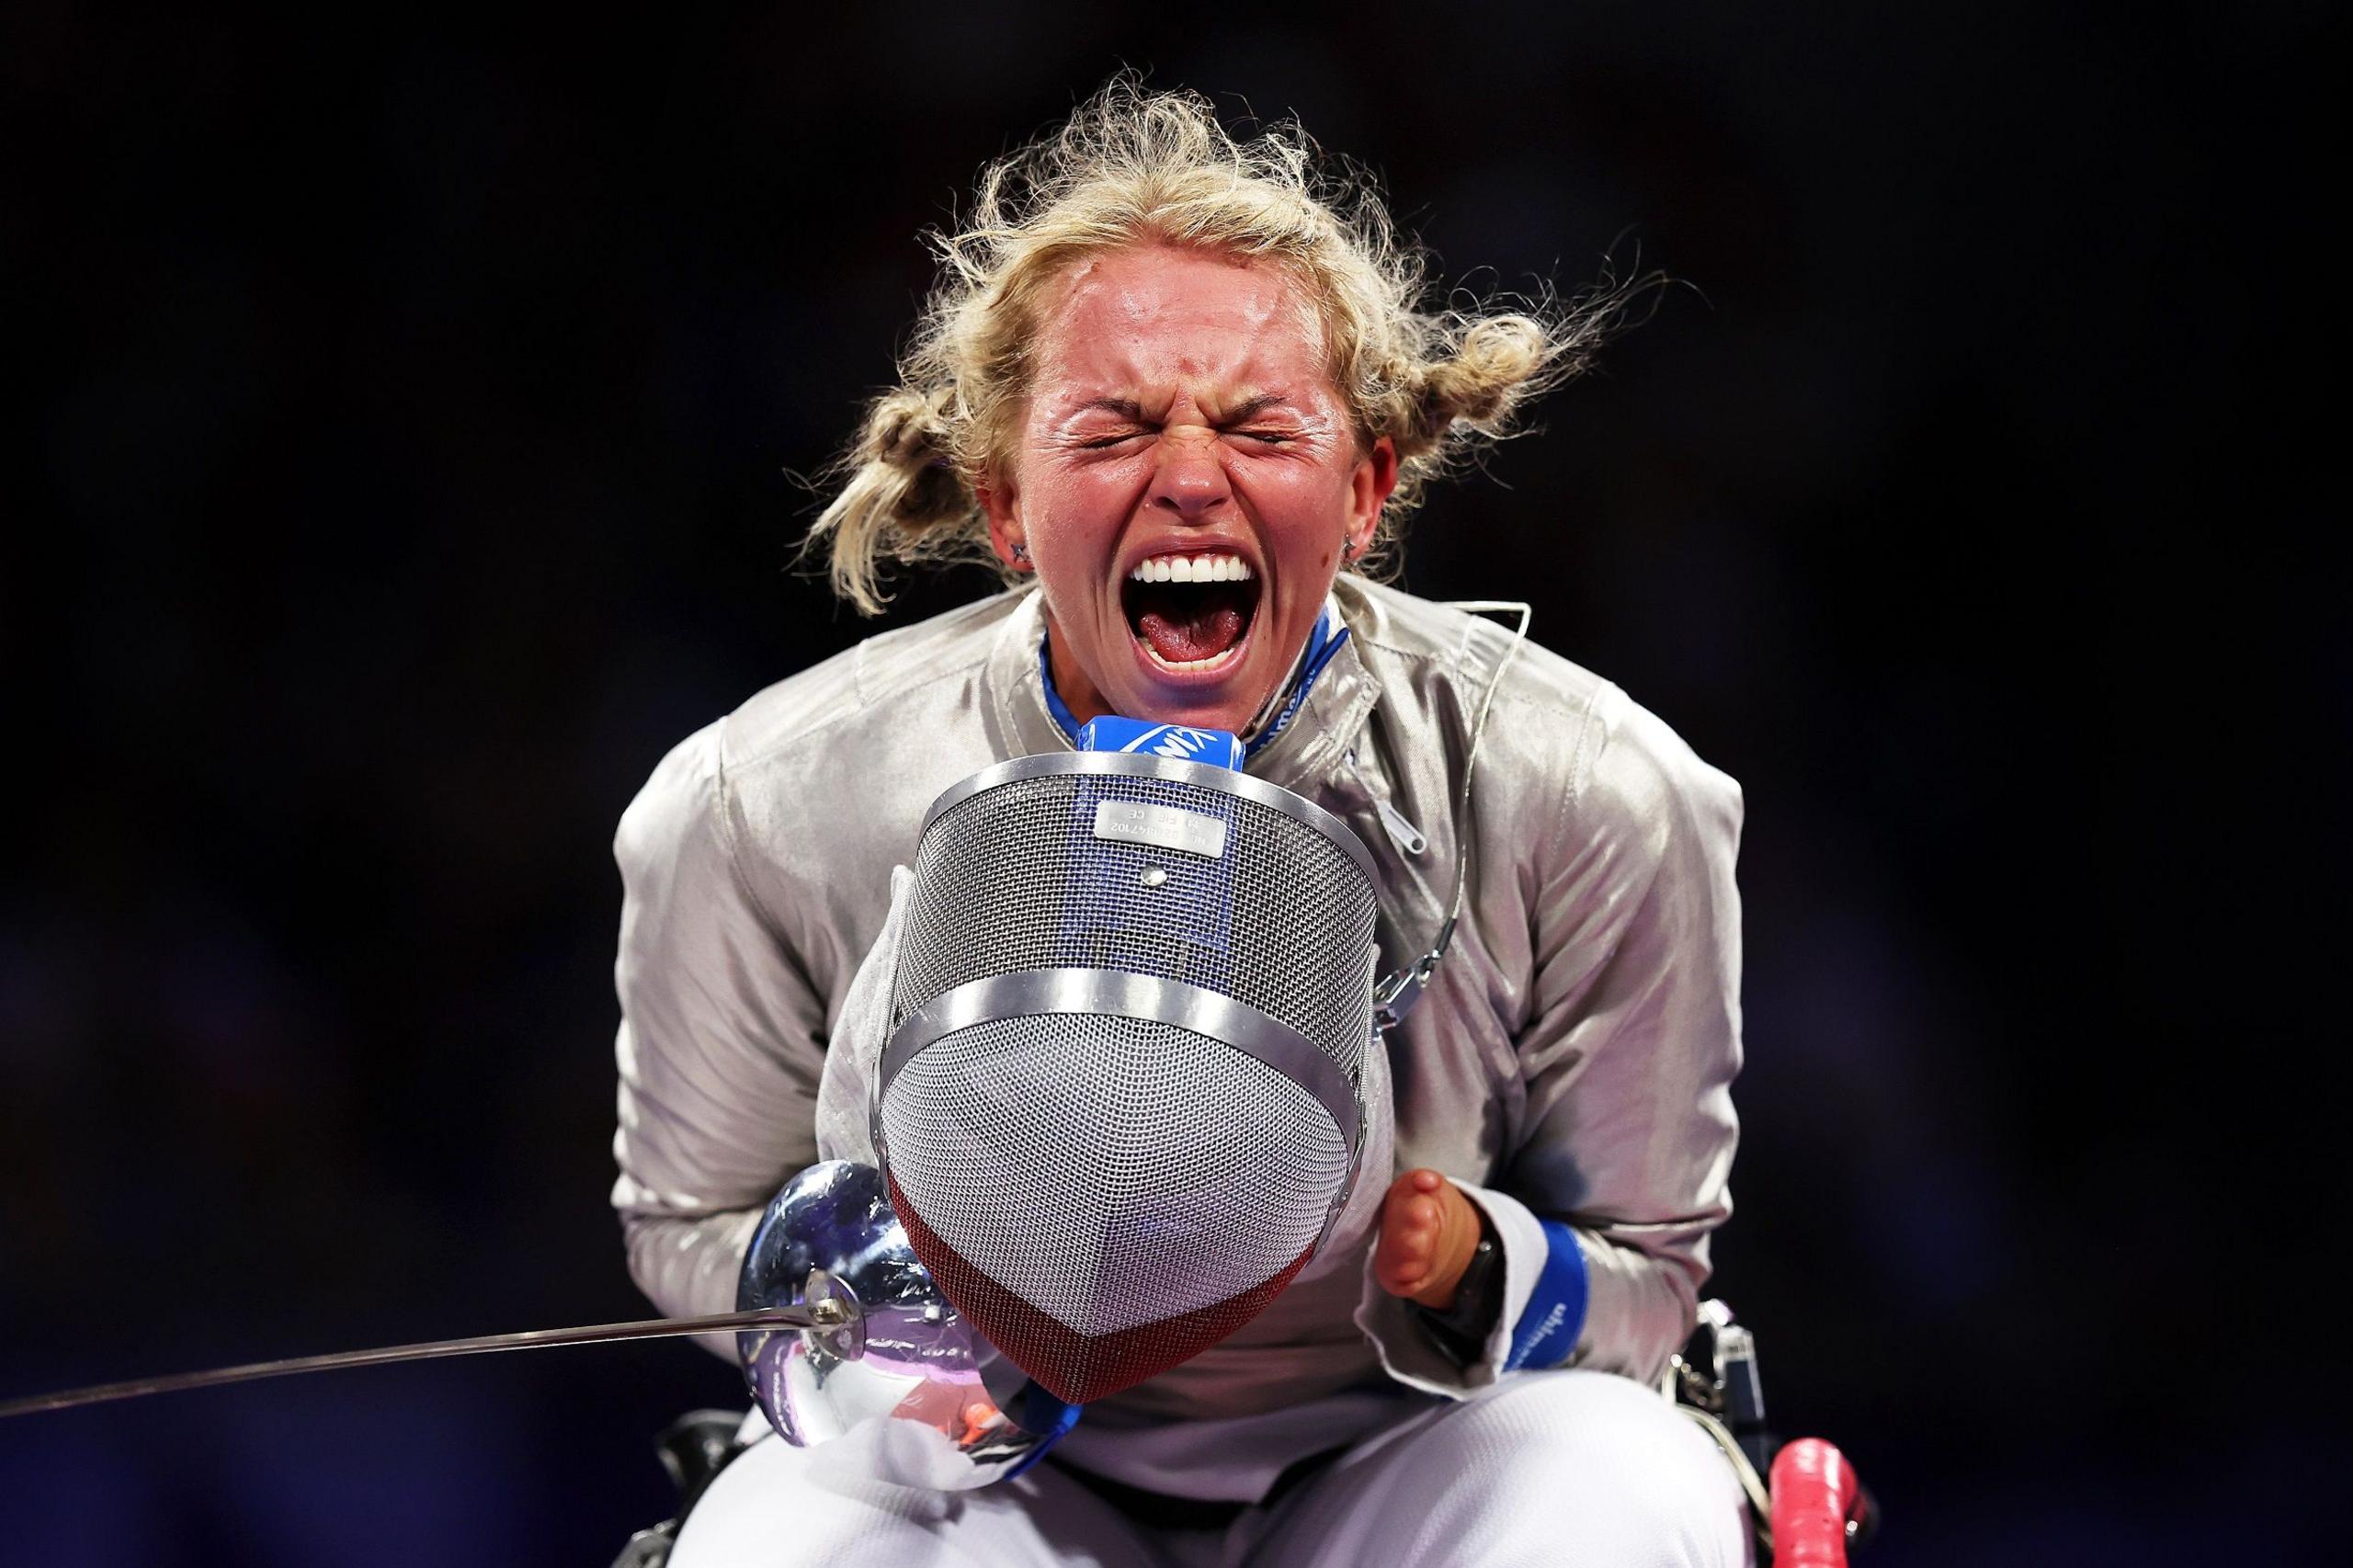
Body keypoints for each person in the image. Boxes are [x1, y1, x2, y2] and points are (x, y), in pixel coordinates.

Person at [611, 81, 1750, 1566]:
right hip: (990, 1483)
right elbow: (690, 1217)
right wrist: (873, 1311)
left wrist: (1494, 1262)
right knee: (784, 1542)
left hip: (1416, 1454)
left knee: (1617, 1488)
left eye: (1261, 427)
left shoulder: (1594, 788)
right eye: (1116, 428)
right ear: (1007, 507)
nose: (1193, 474)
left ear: (1366, 489)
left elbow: (1652, 1266)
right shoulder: (758, 803)